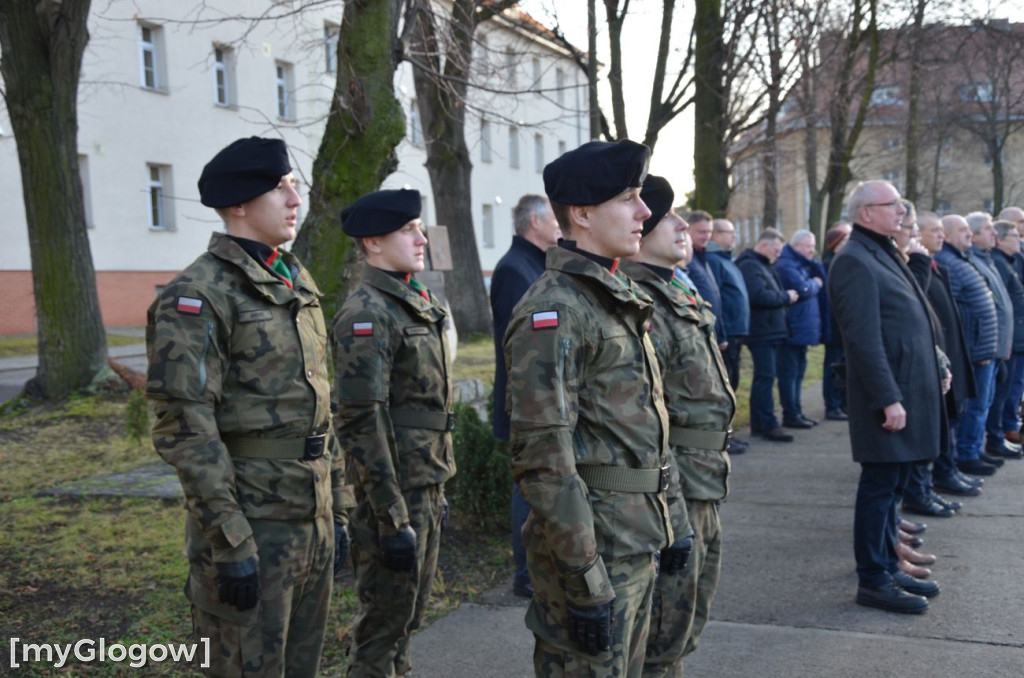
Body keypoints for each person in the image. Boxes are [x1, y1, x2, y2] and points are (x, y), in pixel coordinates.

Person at [146, 137, 347, 676]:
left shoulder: (295, 279)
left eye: (293, 184)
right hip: (253, 522)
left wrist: (340, 509)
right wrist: (230, 539)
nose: (293, 197)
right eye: (279, 187)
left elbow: (320, 402)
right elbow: (184, 425)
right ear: (238, 204)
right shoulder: (198, 294)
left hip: (311, 517)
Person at [504, 139, 678, 677]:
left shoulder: (611, 296)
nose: (644, 212)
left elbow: (642, 426)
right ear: (581, 214)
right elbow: (544, 457)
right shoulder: (557, 309)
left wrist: (672, 524)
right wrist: (583, 576)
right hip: (595, 551)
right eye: (628, 198)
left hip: (631, 538)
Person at [332, 188, 456, 678]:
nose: (421, 238)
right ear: (373, 242)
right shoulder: (368, 313)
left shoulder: (412, 301)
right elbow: (362, 421)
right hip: (393, 493)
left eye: (419, 227)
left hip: (423, 481)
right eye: (407, 229)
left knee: (407, 619)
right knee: (383, 628)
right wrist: (391, 514)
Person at [620, 176, 734, 678]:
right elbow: (644, 418)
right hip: (676, 486)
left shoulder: (675, 292)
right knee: (664, 630)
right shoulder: (640, 304)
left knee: (688, 622)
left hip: (704, 478)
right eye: (669, 216)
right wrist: (670, 505)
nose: (684, 224)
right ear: (641, 227)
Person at [828, 180, 944, 614]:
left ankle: (887, 565)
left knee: (893, 485)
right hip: (887, 397)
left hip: (905, 389)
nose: (901, 211)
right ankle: (873, 580)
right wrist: (887, 398)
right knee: (879, 487)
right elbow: (863, 340)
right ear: (866, 213)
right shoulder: (854, 260)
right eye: (892, 205)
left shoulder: (880, 251)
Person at [490, 194, 562, 598]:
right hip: (524, 403)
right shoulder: (515, 269)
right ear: (533, 222)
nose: (560, 225)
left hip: (538, 400)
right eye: (553, 218)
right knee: (527, 488)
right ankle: (525, 575)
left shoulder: (536, 263)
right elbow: (519, 344)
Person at [911, 212, 983, 498]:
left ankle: (947, 472)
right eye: (934, 230)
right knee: (940, 425)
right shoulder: (918, 266)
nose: (940, 235)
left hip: (950, 354)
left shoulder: (937, 265)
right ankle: (931, 483)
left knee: (953, 419)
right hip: (935, 359)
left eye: (942, 231)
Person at [935, 215, 1003, 477]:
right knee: (969, 407)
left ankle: (970, 450)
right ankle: (965, 454)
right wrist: (974, 349)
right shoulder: (948, 263)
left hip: (984, 347)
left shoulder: (963, 260)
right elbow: (953, 315)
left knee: (980, 405)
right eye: (962, 230)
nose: (969, 235)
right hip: (974, 349)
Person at [735, 229, 799, 442]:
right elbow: (759, 296)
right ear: (764, 246)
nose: (779, 254)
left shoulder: (762, 264)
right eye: (777, 249)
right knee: (765, 377)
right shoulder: (751, 265)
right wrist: (786, 296)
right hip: (761, 331)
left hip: (769, 330)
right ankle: (767, 424)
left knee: (765, 377)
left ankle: (761, 424)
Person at [706, 218, 750, 455]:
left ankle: (731, 434)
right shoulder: (714, 260)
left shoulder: (727, 259)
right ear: (716, 235)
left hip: (736, 331)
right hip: (728, 331)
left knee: (733, 384)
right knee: (726, 386)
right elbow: (717, 299)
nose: (734, 236)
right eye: (729, 232)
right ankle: (726, 436)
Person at [774, 230, 825, 429]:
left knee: (798, 373)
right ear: (796, 246)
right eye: (808, 246)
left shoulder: (802, 264)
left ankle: (797, 411)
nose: (812, 250)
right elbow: (803, 289)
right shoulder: (787, 265)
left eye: (813, 246)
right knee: (789, 374)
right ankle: (791, 414)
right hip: (792, 329)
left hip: (800, 330)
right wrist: (815, 283)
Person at [986, 220, 1024, 459]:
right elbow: (1000, 306)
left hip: (1015, 335)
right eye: (1013, 234)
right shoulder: (999, 263)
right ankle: (998, 435)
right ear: (999, 239)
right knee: (1002, 390)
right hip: (1010, 339)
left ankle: (1000, 433)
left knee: (1011, 387)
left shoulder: (1005, 262)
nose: (1018, 238)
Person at [821, 222, 852, 421]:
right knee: (833, 366)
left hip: (842, 325)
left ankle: (841, 403)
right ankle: (832, 405)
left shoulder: (841, 261)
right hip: (835, 326)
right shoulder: (831, 264)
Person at [686, 211, 728, 349]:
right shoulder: (685, 260)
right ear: (688, 229)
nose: (707, 237)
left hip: (712, 334)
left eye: (709, 232)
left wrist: (721, 336)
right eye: (702, 232)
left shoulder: (704, 259)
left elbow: (715, 296)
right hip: (697, 335)